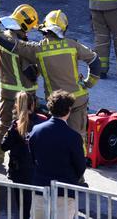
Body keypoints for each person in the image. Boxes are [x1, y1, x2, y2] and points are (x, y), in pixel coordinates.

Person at [0, 10, 100, 146]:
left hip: (57, 103)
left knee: (56, 138)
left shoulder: (39, 49)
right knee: (78, 137)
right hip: (78, 100)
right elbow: (95, 61)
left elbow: (14, 45)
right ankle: (79, 165)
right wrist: (88, 83)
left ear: (45, 29)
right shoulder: (73, 45)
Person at [0, 4, 40, 169]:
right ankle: (22, 162)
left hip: (6, 92)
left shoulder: (2, 39)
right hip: (24, 95)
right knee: (24, 128)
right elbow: (31, 73)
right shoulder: (20, 46)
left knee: (3, 125)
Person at [28, 91, 87, 219]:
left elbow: (32, 157)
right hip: (64, 192)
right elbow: (80, 166)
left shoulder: (36, 131)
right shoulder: (74, 137)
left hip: (40, 189)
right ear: (68, 110)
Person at [1, 91, 47, 219]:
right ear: (33, 105)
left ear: (17, 105)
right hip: (39, 170)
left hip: (19, 171)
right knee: (39, 206)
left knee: (23, 207)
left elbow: (4, 146)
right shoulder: (43, 121)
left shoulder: (16, 125)